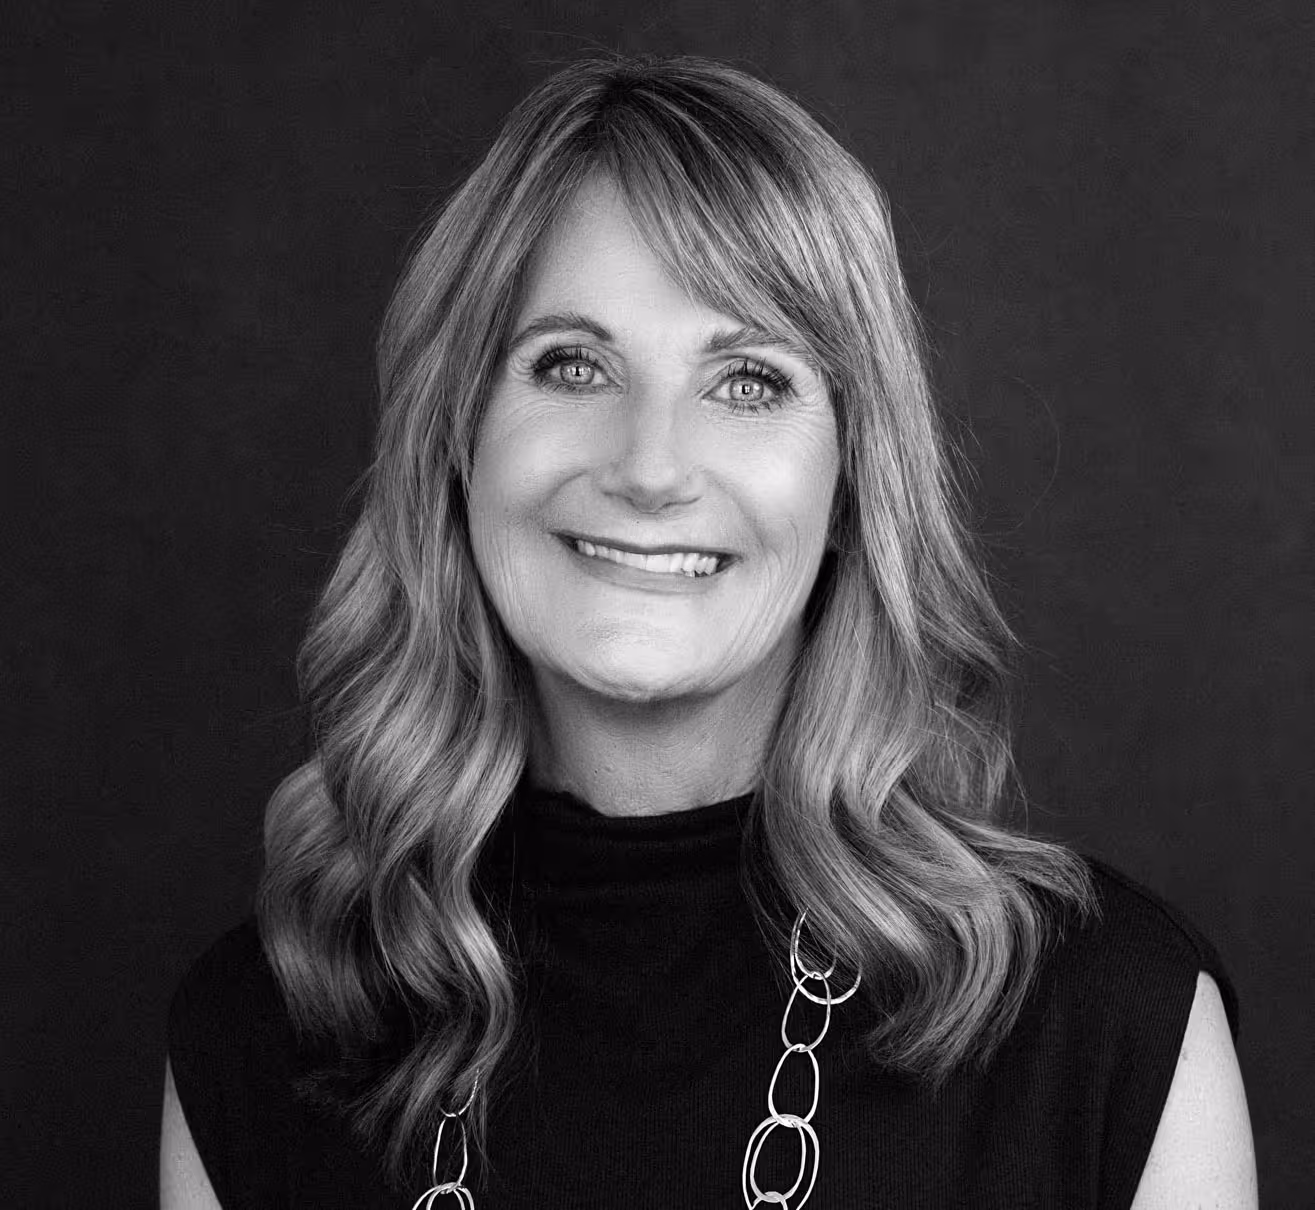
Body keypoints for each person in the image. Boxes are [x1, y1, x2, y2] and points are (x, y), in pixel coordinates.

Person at [160, 54, 1257, 1209]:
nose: (648, 466)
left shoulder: (1108, 1028)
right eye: (572, 364)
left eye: (745, 381)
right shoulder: (255, 1041)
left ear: (849, 483)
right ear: (455, 440)